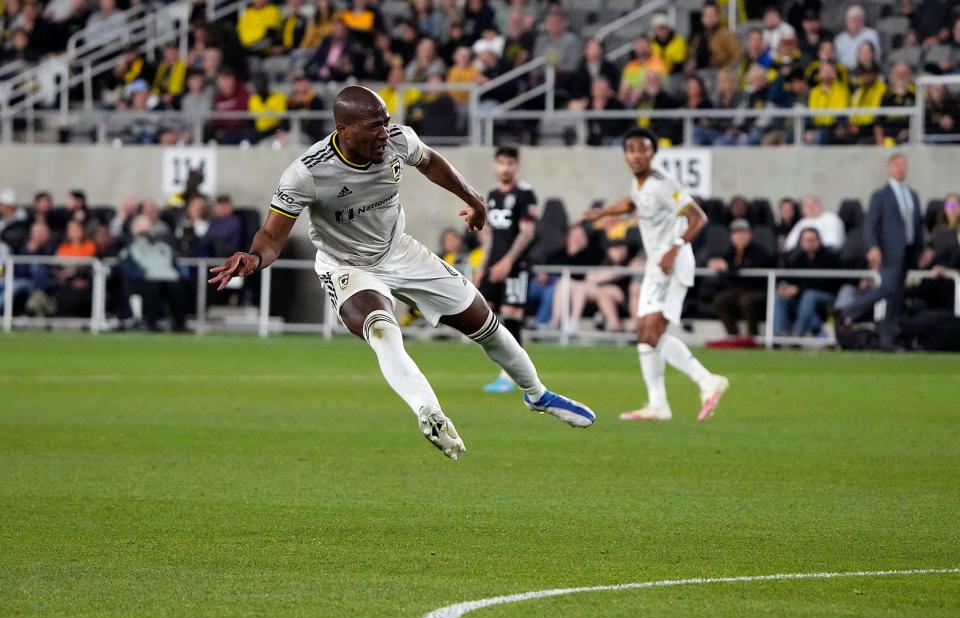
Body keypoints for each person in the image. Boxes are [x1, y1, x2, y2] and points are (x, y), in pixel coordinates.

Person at [208, 86, 595, 460]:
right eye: (374, 125)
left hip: (400, 250)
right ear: (343, 131)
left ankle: (537, 394)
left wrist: (474, 199)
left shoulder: (397, 140)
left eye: (386, 121)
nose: (384, 132)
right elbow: (272, 237)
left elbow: (431, 163)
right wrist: (254, 258)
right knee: (382, 328)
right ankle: (430, 413)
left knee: (485, 323)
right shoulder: (306, 173)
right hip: (347, 265)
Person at [581, 127, 728, 423]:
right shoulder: (639, 184)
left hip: (671, 264)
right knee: (643, 333)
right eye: (631, 149)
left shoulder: (663, 183)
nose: (637, 155)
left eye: (643, 149)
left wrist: (675, 248)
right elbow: (630, 202)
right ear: (625, 154)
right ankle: (658, 404)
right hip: (655, 265)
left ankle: (707, 380)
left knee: (653, 331)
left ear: (653, 153)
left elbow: (697, 217)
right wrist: (604, 213)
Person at [836, 153, 924, 350]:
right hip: (889, 251)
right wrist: (873, 247)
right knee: (888, 289)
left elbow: (916, 225)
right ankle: (849, 310)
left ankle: (888, 338)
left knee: (897, 296)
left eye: (904, 164)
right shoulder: (881, 195)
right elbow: (870, 225)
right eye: (897, 164)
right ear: (889, 168)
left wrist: (922, 248)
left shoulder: (913, 195)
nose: (901, 168)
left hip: (908, 251)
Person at [475, 145, 538, 393]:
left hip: (516, 266)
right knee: (483, 315)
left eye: (510, 163)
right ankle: (506, 366)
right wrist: (482, 266)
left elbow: (527, 233)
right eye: (501, 162)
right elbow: (488, 236)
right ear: (494, 165)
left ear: (517, 166)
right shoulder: (491, 195)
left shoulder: (525, 194)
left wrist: (508, 261)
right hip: (493, 265)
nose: (505, 168)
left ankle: (510, 375)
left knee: (512, 315)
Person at [709, 219, 774, 338]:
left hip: (757, 290)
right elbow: (724, 267)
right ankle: (733, 336)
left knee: (747, 301)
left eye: (743, 233)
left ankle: (752, 337)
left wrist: (728, 267)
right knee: (720, 300)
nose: (740, 236)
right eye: (736, 233)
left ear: (750, 235)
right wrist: (715, 263)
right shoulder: (731, 251)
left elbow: (750, 266)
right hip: (738, 291)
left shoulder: (759, 251)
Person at [774, 228, 840, 336]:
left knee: (809, 296)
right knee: (780, 296)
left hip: (827, 295)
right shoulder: (798, 258)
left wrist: (798, 289)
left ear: (819, 240)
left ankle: (796, 333)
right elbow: (790, 277)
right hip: (802, 297)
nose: (809, 243)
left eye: (812, 239)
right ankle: (780, 335)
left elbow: (827, 283)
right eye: (805, 240)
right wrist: (784, 285)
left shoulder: (830, 257)